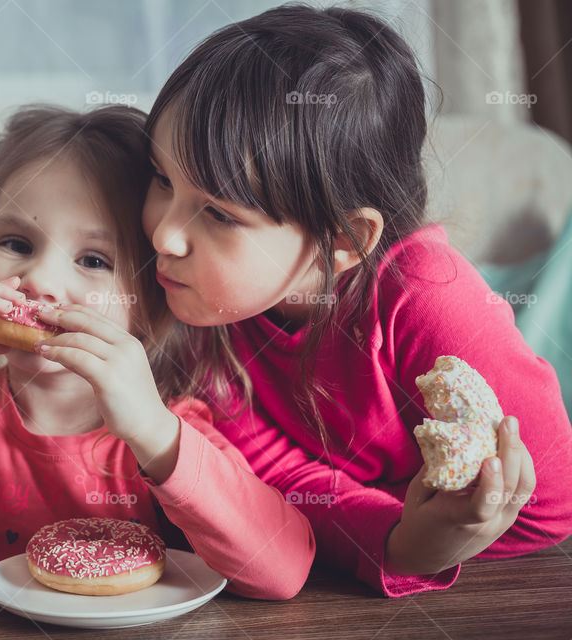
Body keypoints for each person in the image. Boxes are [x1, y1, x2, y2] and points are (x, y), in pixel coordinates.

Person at [140, 4, 572, 597]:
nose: (163, 233)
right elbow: (271, 485)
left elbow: (550, 503)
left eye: (218, 213)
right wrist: (395, 537)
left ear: (343, 240)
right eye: (161, 179)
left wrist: (423, 532)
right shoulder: (202, 315)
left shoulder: (426, 296)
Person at [0, 104, 315, 602]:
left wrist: (155, 435)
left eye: (94, 260)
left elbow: (283, 571)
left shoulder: (168, 432)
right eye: (16, 243)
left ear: (147, 303)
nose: (41, 280)